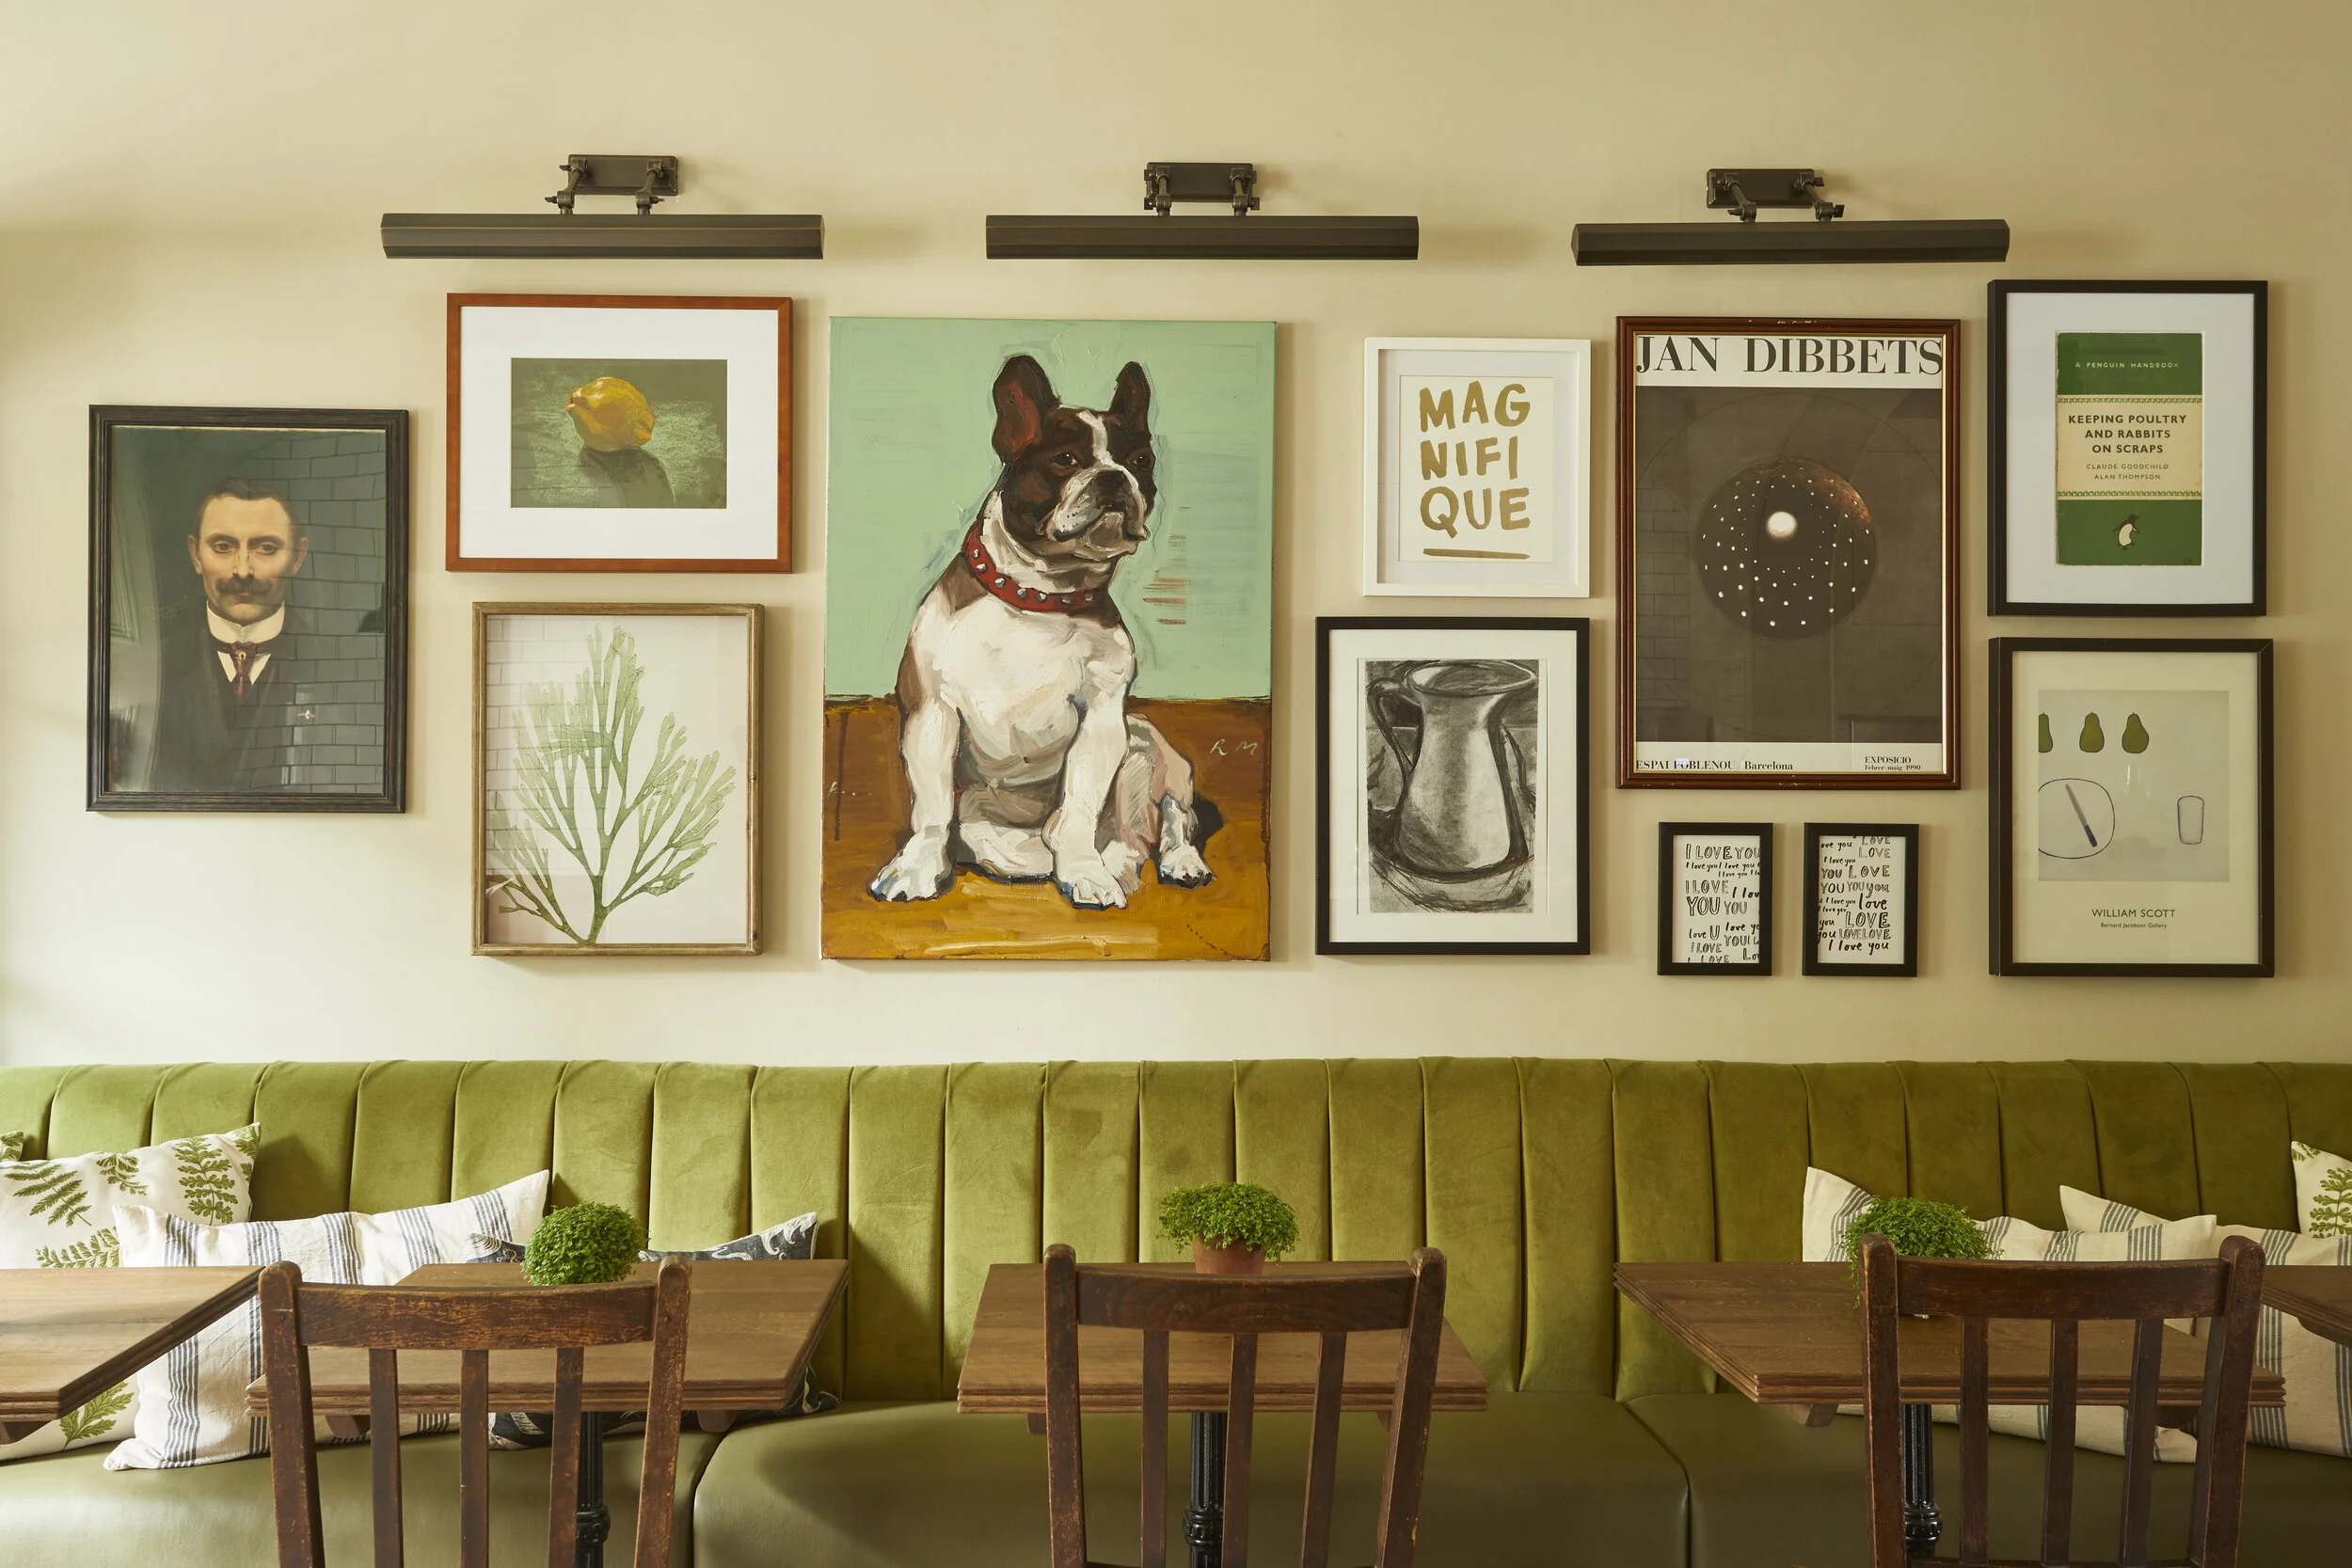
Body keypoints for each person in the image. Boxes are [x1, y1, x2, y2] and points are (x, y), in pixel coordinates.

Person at [146, 478, 312, 794]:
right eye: (223, 546)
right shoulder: (153, 665)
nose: (243, 570)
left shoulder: (339, 666)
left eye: (266, 548)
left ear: (297, 558)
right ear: (196, 555)